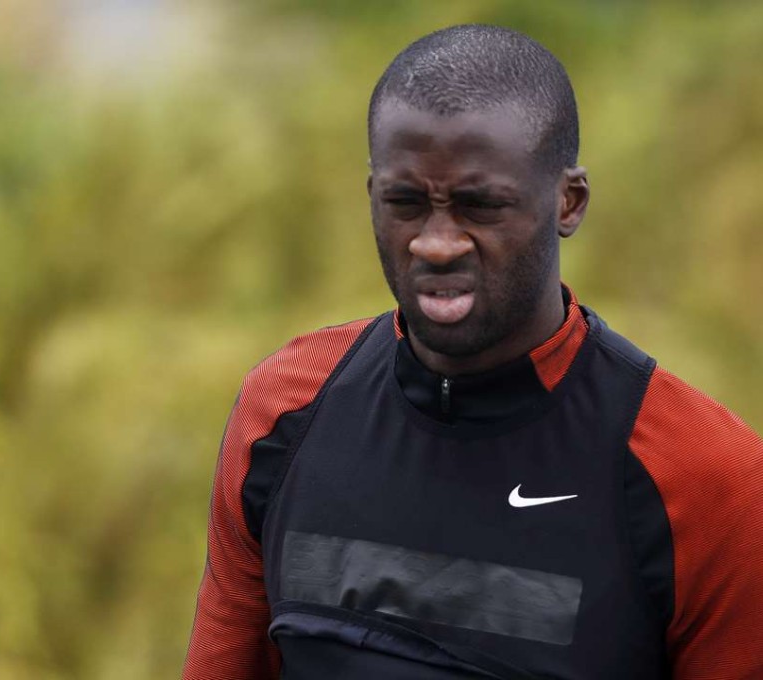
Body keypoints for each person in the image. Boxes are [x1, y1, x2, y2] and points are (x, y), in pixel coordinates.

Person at [182, 24, 763, 680]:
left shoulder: (709, 477)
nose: (435, 242)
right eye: (405, 203)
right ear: (371, 197)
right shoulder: (283, 412)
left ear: (568, 202)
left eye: (479, 206)